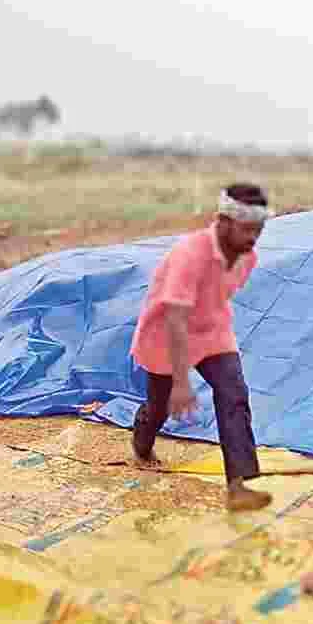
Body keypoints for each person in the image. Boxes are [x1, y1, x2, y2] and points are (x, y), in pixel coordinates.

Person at [130, 183, 273, 511]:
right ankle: (142, 441)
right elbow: (175, 319)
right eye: (247, 229)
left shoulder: (247, 259)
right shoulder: (189, 255)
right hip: (165, 335)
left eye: (259, 230)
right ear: (222, 221)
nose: (253, 238)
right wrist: (182, 382)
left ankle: (239, 486)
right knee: (161, 404)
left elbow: (217, 299)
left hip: (211, 332)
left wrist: (212, 334)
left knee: (234, 394)